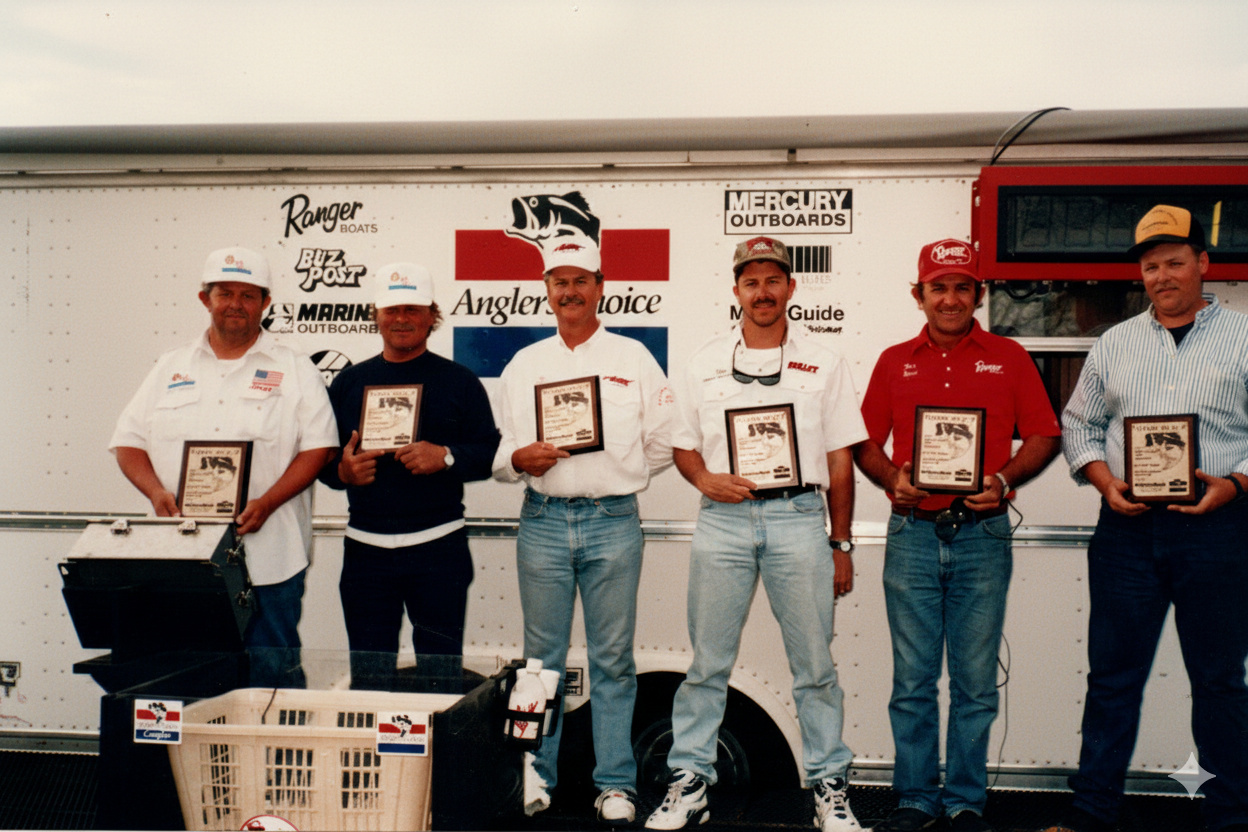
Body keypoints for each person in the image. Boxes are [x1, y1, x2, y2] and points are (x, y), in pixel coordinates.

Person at [645, 236, 867, 832]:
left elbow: (841, 460)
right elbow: (683, 445)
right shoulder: (704, 361)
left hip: (799, 520)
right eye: (751, 281)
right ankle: (690, 781)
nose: (763, 291)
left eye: (774, 280)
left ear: (791, 288)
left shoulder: (825, 361)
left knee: (815, 665)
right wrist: (704, 481)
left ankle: (828, 788)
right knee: (707, 664)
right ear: (736, 289)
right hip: (724, 522)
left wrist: (840, 543)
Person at [1050, 205, 1248, 832]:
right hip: (1127, 534)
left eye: (1175, 262)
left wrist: (1238, 483)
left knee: (1219, 684)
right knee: (1112, 680)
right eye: (1151, 265)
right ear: (1141, 274)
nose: (1162, 276)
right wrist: (1105, 482)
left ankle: (1231, 815)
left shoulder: (1244, 336)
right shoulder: (1115, 342)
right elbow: (1079, 424)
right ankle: (1092, 813)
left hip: (1216, 530)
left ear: (1203, 264)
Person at [854, 238, 1060, 832]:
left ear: (979, 294)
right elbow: (864, 442)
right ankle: (915, 798)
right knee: (913, 679)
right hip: (913, 533)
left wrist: (1001, 478)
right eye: (938, 288)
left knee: (974, 680)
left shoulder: (1009, 357)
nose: (950, 299)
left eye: (962, 287)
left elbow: (1044, 435)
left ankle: (966, 799)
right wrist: (891, 476)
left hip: (983, 533)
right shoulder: (894, 361)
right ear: (918, 296)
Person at [492, 230, 673, 825]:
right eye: (559, 281)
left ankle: (615, 784)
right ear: (546, 290)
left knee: (613, 658)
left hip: (613, 521)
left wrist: (620, 474)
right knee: (539, 661)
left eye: (580, 281)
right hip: (542, 520)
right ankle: (534, 774)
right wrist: (520, 461)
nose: (570, 291)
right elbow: (503, 450)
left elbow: (665, 441)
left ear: (600, 288)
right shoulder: (524, 364)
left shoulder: (633, 359)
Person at [110, 246, 338, 685]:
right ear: (205, 299)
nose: (236, 304)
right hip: (184, 557)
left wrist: (268, 503)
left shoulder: (294, 368)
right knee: (188, 672)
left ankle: (273, 753)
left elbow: (318, 450)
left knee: (272, 676)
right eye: (225, 292)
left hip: (270, 556)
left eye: (249, 295)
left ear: (266, 302)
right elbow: (128, 443)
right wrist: (156, 492)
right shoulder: (170, 366)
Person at [317, 263, 500, 686]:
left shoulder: (459, 381)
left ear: (432, 315)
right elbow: (323, 459)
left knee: (440, 672)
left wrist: (448, 456)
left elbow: (490, 451)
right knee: (369, 673)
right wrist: (342, 471)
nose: (402, 319)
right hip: (366, 550)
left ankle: (435, 754)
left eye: (413, 309)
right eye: (392, 309)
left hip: (438, 547)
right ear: (376, 315)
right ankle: (373, 753)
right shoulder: (349, 382)